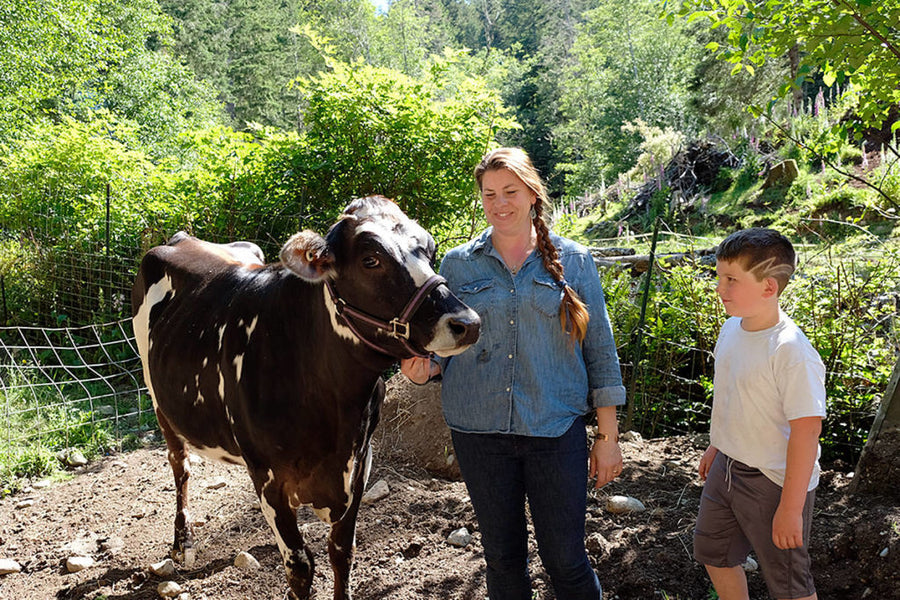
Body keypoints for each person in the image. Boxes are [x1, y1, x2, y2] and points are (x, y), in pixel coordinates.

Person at [401, 147, 626, 600]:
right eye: (489, 194)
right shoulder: (456, 265)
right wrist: (423, 367)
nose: (499, 203)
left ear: (532, 194)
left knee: (566, 559)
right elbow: (448, 345)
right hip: (478, 431)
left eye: (510, 191)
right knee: (502, 559)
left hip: (555, 429)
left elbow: (599, 349)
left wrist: (608, 437)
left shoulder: (574, 261)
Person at [694, 228, 826, 600]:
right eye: (719, 277)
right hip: (728, 468)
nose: (721, 289)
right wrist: (717, 447)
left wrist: (790, 507)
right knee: (714, 553)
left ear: (769, 288)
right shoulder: (730, 328)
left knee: (788, 583)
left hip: (776, 481)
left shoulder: (791, 352)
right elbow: (733, 399)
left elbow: (806, 432)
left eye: (732, 280)